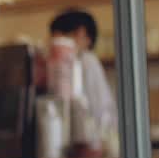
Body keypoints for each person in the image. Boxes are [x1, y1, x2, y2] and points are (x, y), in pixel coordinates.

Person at [50, 8, 116, 136]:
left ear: (85, 36)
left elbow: (98, 110)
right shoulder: (73, 64)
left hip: (95, 137)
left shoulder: (87, 61)